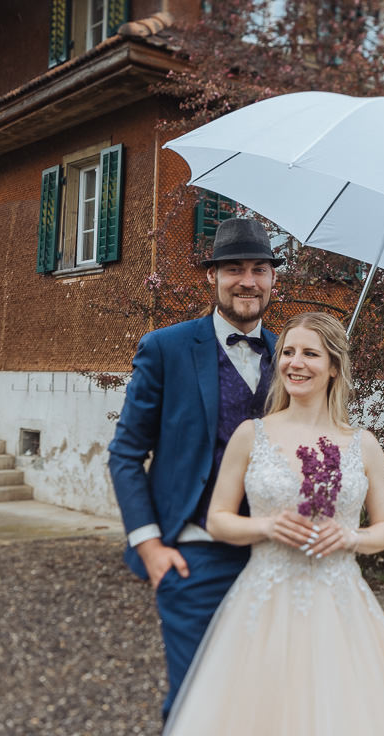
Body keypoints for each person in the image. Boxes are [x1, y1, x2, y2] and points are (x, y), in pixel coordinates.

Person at [162, 312, 384, 735]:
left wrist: (350, 536)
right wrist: (267, 527)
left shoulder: (363, 445)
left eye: (310, 353)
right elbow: (218, 520)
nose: (296, 363)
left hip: (340, 603)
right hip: (263, 601)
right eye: (288, 352)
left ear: (333, 367)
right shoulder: (250, 435)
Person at [107, 216, 285, 718]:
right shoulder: (166, 348)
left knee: (261, 704)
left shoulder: (290, 357)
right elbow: (125, 453)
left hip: (275, 561)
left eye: (258, 269)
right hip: (193, 557)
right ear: (212, 277)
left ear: (273, 279)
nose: (247, 281)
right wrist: (151, 547)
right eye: (233, 269)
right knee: (196, 703)